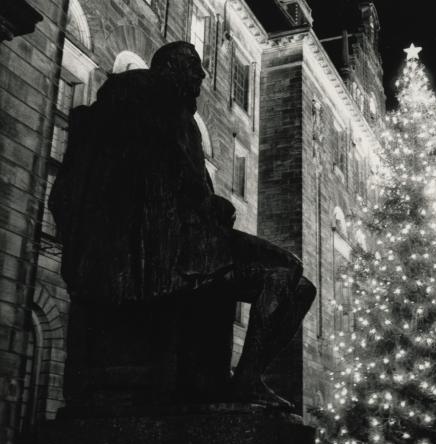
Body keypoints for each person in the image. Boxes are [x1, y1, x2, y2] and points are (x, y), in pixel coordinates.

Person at [49, 42, 315, 406]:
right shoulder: (151, 108)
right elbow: (158, 188)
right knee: (285, 278)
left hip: (196, 238)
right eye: (193, 66)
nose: (202, 75)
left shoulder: (176, 120)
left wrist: (212, 205)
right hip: (173, 254)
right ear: (170, 69)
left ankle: (248, 378)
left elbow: (184, 186)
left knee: (299, 282)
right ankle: (247, 381)